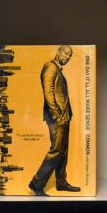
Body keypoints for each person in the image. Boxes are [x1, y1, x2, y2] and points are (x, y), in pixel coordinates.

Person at [29, 46, 80, 195]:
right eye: (66, 53)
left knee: (63, 151)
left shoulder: (57, 69)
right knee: (56, 150)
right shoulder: (50, 67)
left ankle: (61, 182)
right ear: (58, 52)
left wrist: (65, 115)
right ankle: (36, 183)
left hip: (64, 117)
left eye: (70, 55)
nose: (68, 57)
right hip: (57, 117)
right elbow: (48, 92)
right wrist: (57, 114)